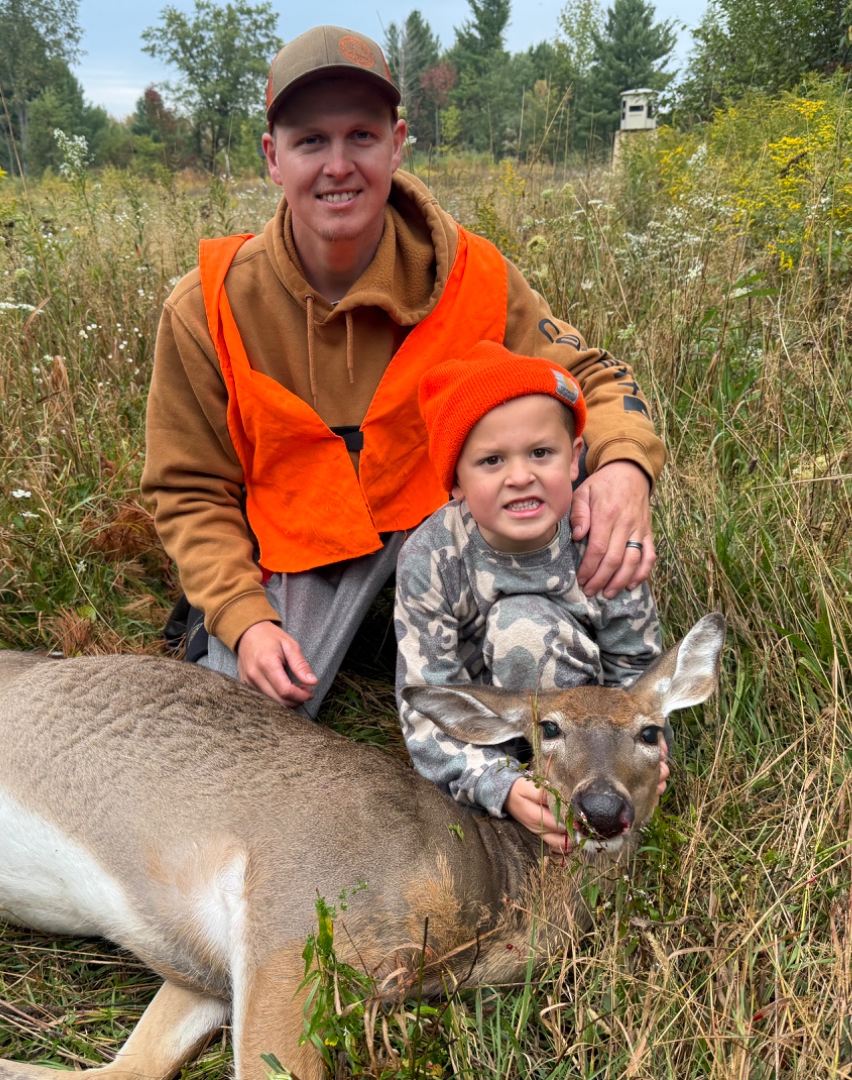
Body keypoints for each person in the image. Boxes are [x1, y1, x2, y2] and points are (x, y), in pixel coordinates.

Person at [142, 25, 663, 718]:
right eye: (310, 141)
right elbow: (189, 489)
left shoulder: (472, 276)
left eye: (361, 136)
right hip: (300, 554)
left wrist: (625, 468)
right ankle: (343, 640)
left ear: (396, 143)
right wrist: (243, 616)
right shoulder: (208, 308)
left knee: (539, 638)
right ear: (272, 157)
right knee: (240, 724)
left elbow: (594, 378)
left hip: (455, 532)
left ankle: (568, 682)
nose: (338, 165)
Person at [395, 341, 664, 852]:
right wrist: (497, 785)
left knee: (523, 628)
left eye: (541, 453)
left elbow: (638, 675)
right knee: (517, 630)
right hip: (487, 723)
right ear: (455, 481)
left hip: (589, 736)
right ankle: (529, 793)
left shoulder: (601, 538)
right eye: (491, 460)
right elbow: (426, 706)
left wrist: (646, 754)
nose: (520, 477)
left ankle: (589, 796)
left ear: (575, 458)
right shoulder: (429, 558)